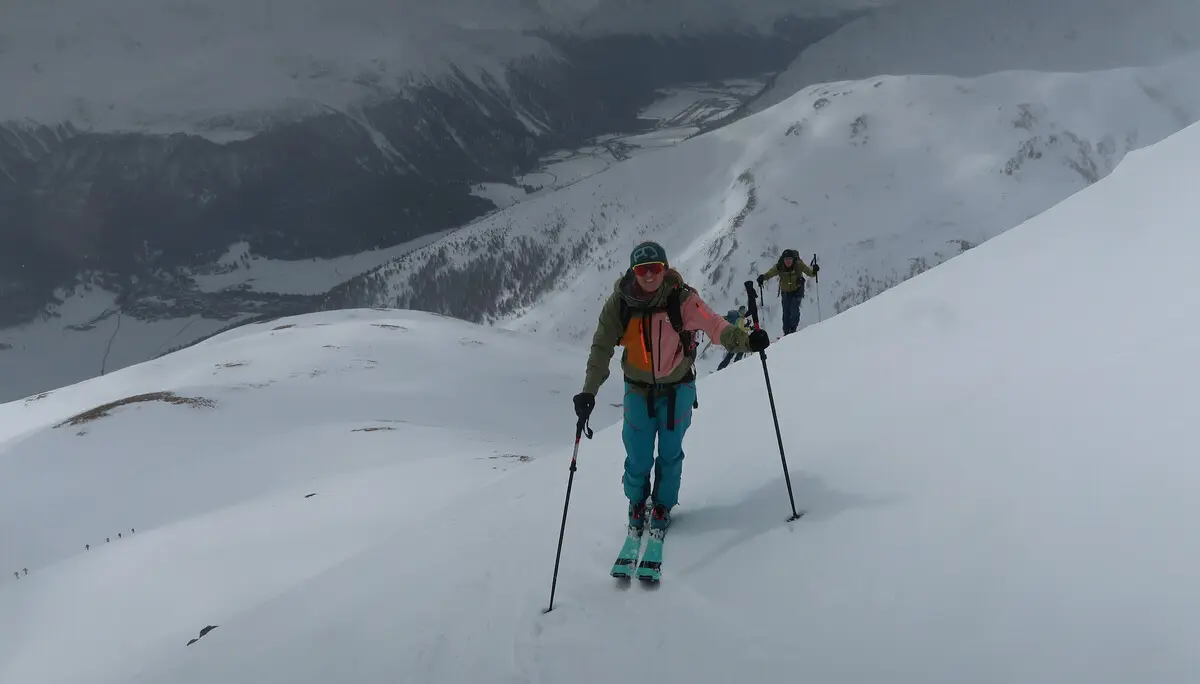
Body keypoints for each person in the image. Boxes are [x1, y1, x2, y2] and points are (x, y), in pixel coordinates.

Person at [572, 241, 770, 532]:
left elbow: (715, 326)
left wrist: (747, 341)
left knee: (670, 452)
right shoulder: (620, 303)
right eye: (642, 269)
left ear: (665, 269)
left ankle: (663, 504)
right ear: (633, 271)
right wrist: (589, 391)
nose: (649, 275)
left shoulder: (682, 299)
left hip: (678, 388)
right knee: (637, 454)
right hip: (638, 389)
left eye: (655, 268)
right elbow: (601, 347)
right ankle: (637, 502)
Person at [756, 249, 818, 335]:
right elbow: (770, 273)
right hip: (785, 292)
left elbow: (810, 273)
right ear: (783, 260)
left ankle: (793, 330)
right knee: (786, 313)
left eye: (790, 259)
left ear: (793, 259)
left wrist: (814, 270)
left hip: (797, 290)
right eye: (786, 260)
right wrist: (763, 277)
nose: (788, 262)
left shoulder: (798, 264)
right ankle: (786, 332)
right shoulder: (779, 266)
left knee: (794, 309)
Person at [717, 305, 752, 370]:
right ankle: (736, 368)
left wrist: (750, 328)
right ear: (743, 311)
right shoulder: (740, 319)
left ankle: (720, 368)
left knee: (730, 355)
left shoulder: (738, 318)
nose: (745, 312)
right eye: (744, 311)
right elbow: (740, 329)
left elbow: (741, 328)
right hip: (738, 340)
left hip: (733, 339)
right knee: (739, 353)